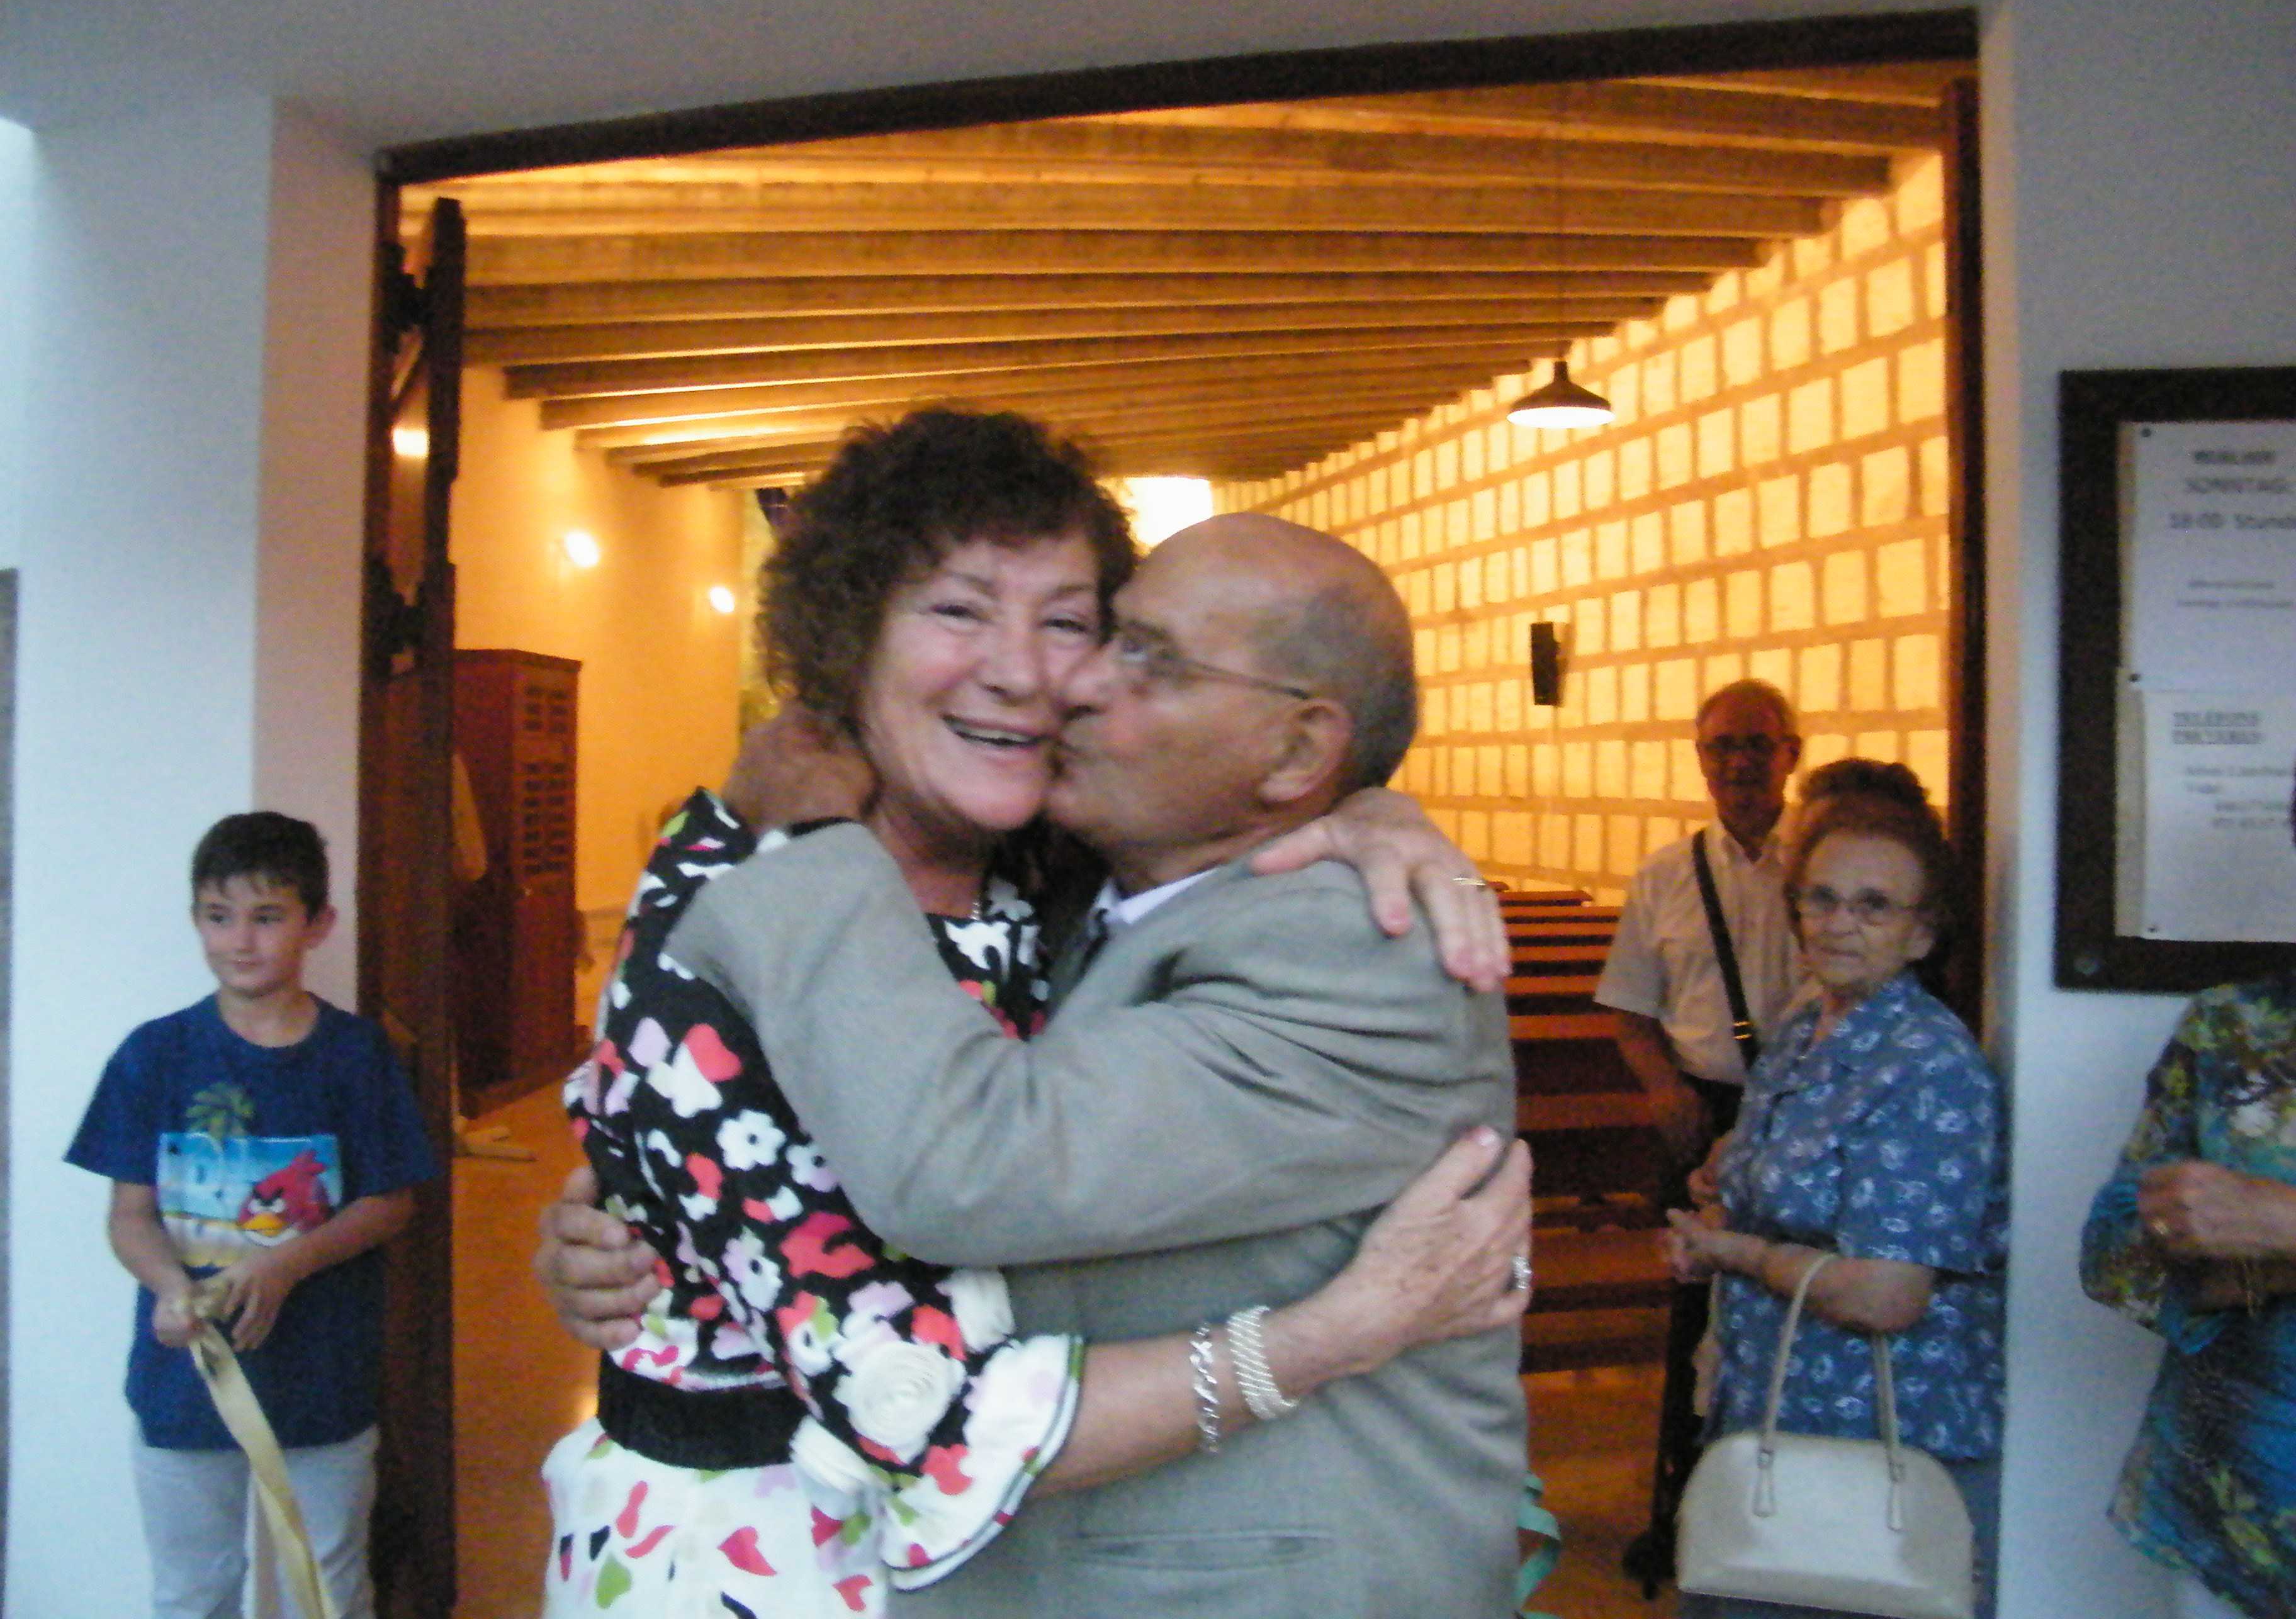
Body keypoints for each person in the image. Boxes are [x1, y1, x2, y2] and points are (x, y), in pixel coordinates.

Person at [543, 414, 1530, 1618]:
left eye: (1080, 626)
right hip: (767, 1555)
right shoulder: (753, 908)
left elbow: (985, 1148)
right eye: (958, 611)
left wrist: (1374, 809)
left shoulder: (1063, 883)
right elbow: (922, 1404)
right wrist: (1343, 1327)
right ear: (846, 640)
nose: (1048, 676)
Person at [65, 812, 438, 1619]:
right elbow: (129, 1216)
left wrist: (283, 1264)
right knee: (193, 1592)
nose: (240, 941)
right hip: (184, 1387)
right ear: (196, 919)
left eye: (267, 917)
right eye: (219, 916)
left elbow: (390, 1203)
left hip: (323, 1384)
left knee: (329, 1588)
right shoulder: (152, 1055)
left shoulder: (356, 1055)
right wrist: (171, 1288)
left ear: (318, 924)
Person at [1663, 766, 2007, 1619]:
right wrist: (1716, 1213)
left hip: (1873, 1443)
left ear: (1922, 934)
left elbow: (1887, 1294)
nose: (1839, 923)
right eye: (1821, 899)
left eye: (1873, 906)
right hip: (1771, 1415)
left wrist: (1736, 1252)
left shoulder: (1929, 1064)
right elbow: (1779, 1193)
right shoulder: (1803, 1028)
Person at [1594, 678, 1804, 1586]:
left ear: (1791, 755)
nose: (1740, 764)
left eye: (1758, 744)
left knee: (1792, 1314)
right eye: (1723, 747)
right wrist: (1663, 1092)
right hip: (1703, 1110)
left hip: (1802, 1117)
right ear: (1700, 761)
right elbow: (1629, 1011)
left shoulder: (1821, 863)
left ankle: (1787, 1516)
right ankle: (1680, 1514)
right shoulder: (1664, 876)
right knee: (1693, 1326)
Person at [2078, 758, 2296, 1619]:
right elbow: (2110, 1256)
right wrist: (2249, 1265)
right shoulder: (2230, 1029)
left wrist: (2280, 1224)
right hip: (2228, 1515)